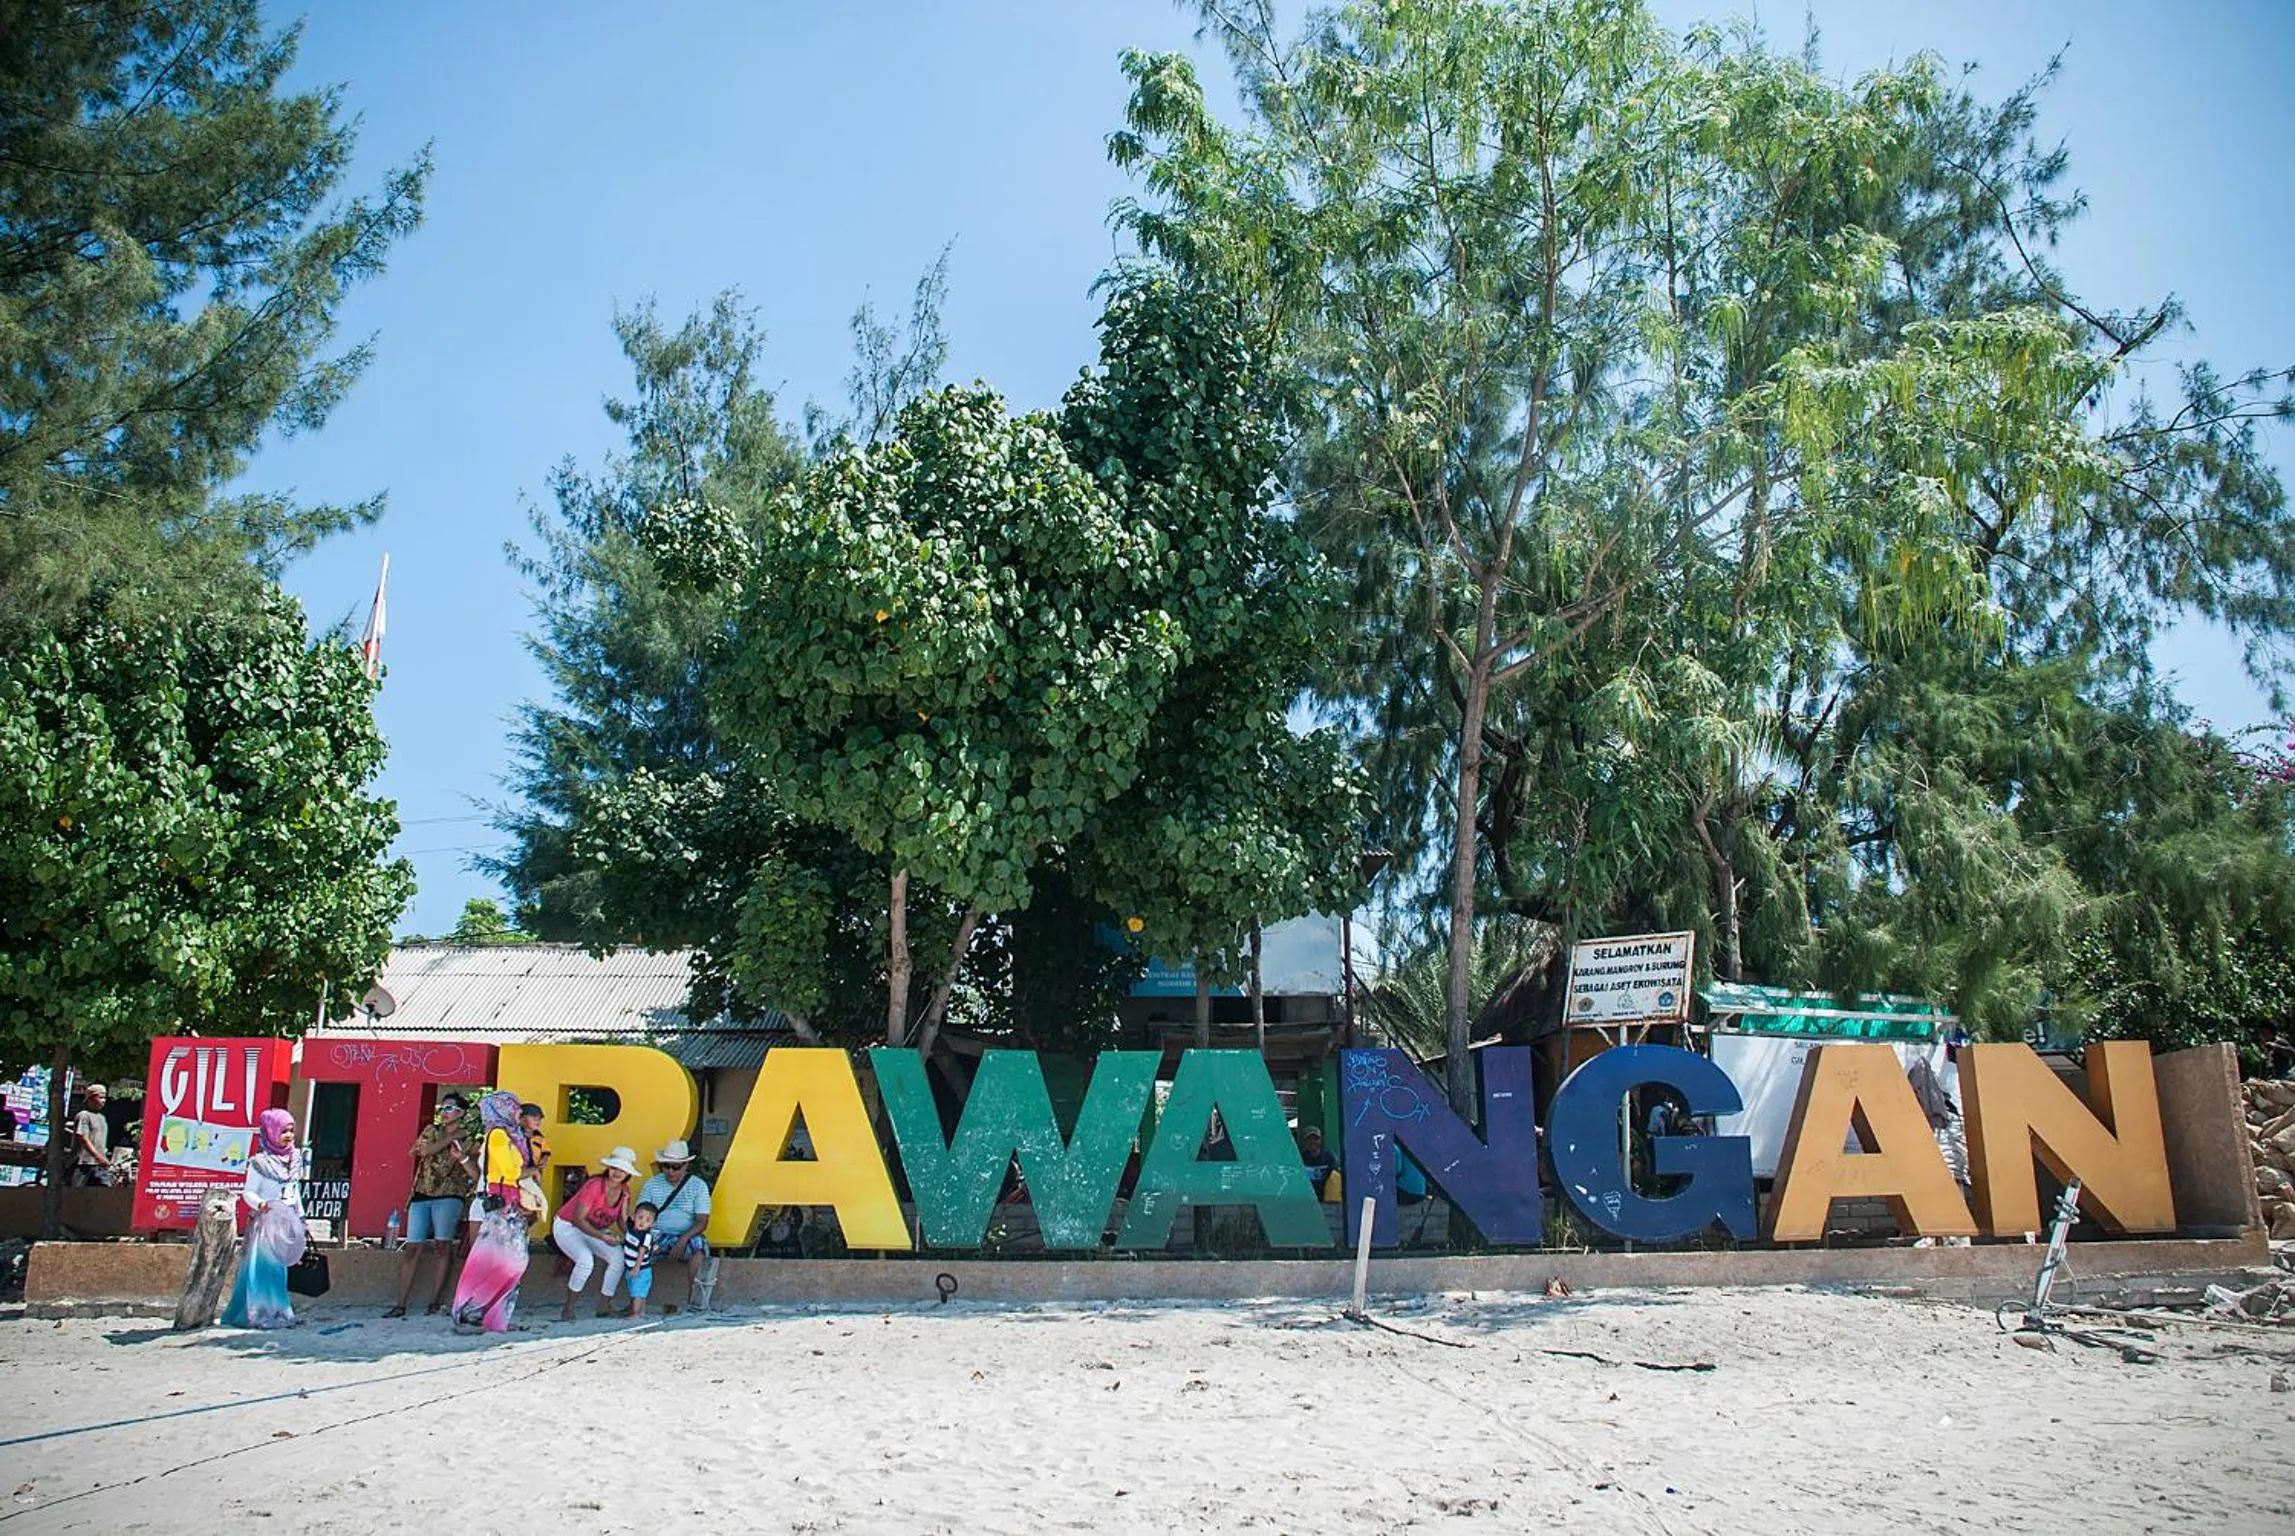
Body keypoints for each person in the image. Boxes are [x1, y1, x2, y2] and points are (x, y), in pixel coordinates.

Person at [449, 1091, 538, 1333]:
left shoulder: (508, 1135)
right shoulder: (499, 1136)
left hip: (507, 1202)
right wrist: (529, 1170)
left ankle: (489, 1316)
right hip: (501, 1203)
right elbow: (510, 1170)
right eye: (512, 1105)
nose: (518, 1109)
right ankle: (473, 1312)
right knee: (505, 1261)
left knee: (507, 1260)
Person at [387, 1093, 476, 1318]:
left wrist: (460, 1149)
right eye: (443, 1108)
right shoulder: (431, 1131)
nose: (444, 1113)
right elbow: (424, 1151)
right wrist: (451, 1137)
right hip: (422, 1193)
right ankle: (400, 1302)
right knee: (412, 1248)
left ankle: (435, 1301)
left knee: (442, 1246)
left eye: (449, 1108)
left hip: (450, 1194)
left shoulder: (470, 1140)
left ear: (461, 1113)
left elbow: (474, 1169)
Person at [222, 1109, 307, 1329]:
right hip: (267, 1221)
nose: (288, 1135)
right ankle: (258, 1313)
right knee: (263, 1269)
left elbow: (294, 1190)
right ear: (270, 1132)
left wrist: (301, 1216)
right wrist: (261, 1204)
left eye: (291, 1131)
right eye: (283, 1131)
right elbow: (248, 1191)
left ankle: (280, 1312)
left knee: (280, 1270)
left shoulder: (294, 1159)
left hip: (286, 1222)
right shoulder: (260, 1162)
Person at [554, 1146, 639, 1319]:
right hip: (568, 1226)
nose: (617, 1172)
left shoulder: (625, 1191)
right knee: (586, 1261)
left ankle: (604, 1305)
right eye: (615, 1168)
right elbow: (578, 1219)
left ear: (627, 1173)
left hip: (595, 1229)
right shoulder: (594, 1185)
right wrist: (603, 1237)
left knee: (618, 1258)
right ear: (608, 1168)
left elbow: (622, 1220)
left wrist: (634, 1238)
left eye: (622, 1170)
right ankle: (568, 1308)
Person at [634, 1139, 720, 1306]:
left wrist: (682, 1240)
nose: (670, 1171)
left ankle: (694, 1301)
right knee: (635, 1251)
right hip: (656, 1233)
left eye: (676, 1167)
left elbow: (702, 1221)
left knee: (698, 1249)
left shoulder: (698, 1186)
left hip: (686, 1234)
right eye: (666, 1166)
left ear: (686, 1166)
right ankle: (635, 1302)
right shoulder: (652, 1185)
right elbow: (641, 1215)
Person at [621, 1201, 660, 1319]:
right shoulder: (631, 1229)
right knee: (640, 1291)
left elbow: (642, 1252)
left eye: (648, 1220)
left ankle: (635, 1313)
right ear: (633, 1217)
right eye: (640, 1217)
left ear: (652, 1224)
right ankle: (642, 1312)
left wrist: (636, 1267)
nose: (643, 1222)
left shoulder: (646, 1236)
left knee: (637, 1292)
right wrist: (625, 1201)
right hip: (631, 1267)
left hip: (640, 1269)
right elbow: (623, 1216)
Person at [69, 1083, 112, 1186]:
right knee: (77, 1194)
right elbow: (83, 1138)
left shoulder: (102, 1118)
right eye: (100, 1097)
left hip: (99, 1165)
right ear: (91, 1098)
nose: (103, 1100)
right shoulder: (84, 1115)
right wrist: (98, 1157)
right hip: (84, 1164)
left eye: (104, 1097)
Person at [1297, 1125, 1339, 1195]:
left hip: (1327, 1199)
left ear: (1321, 1140)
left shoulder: (1329, 1157)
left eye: (1316, 1139)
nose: (1312, 1142)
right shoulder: (1300, 1158)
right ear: (1304, 1141)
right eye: (1309, 1139)